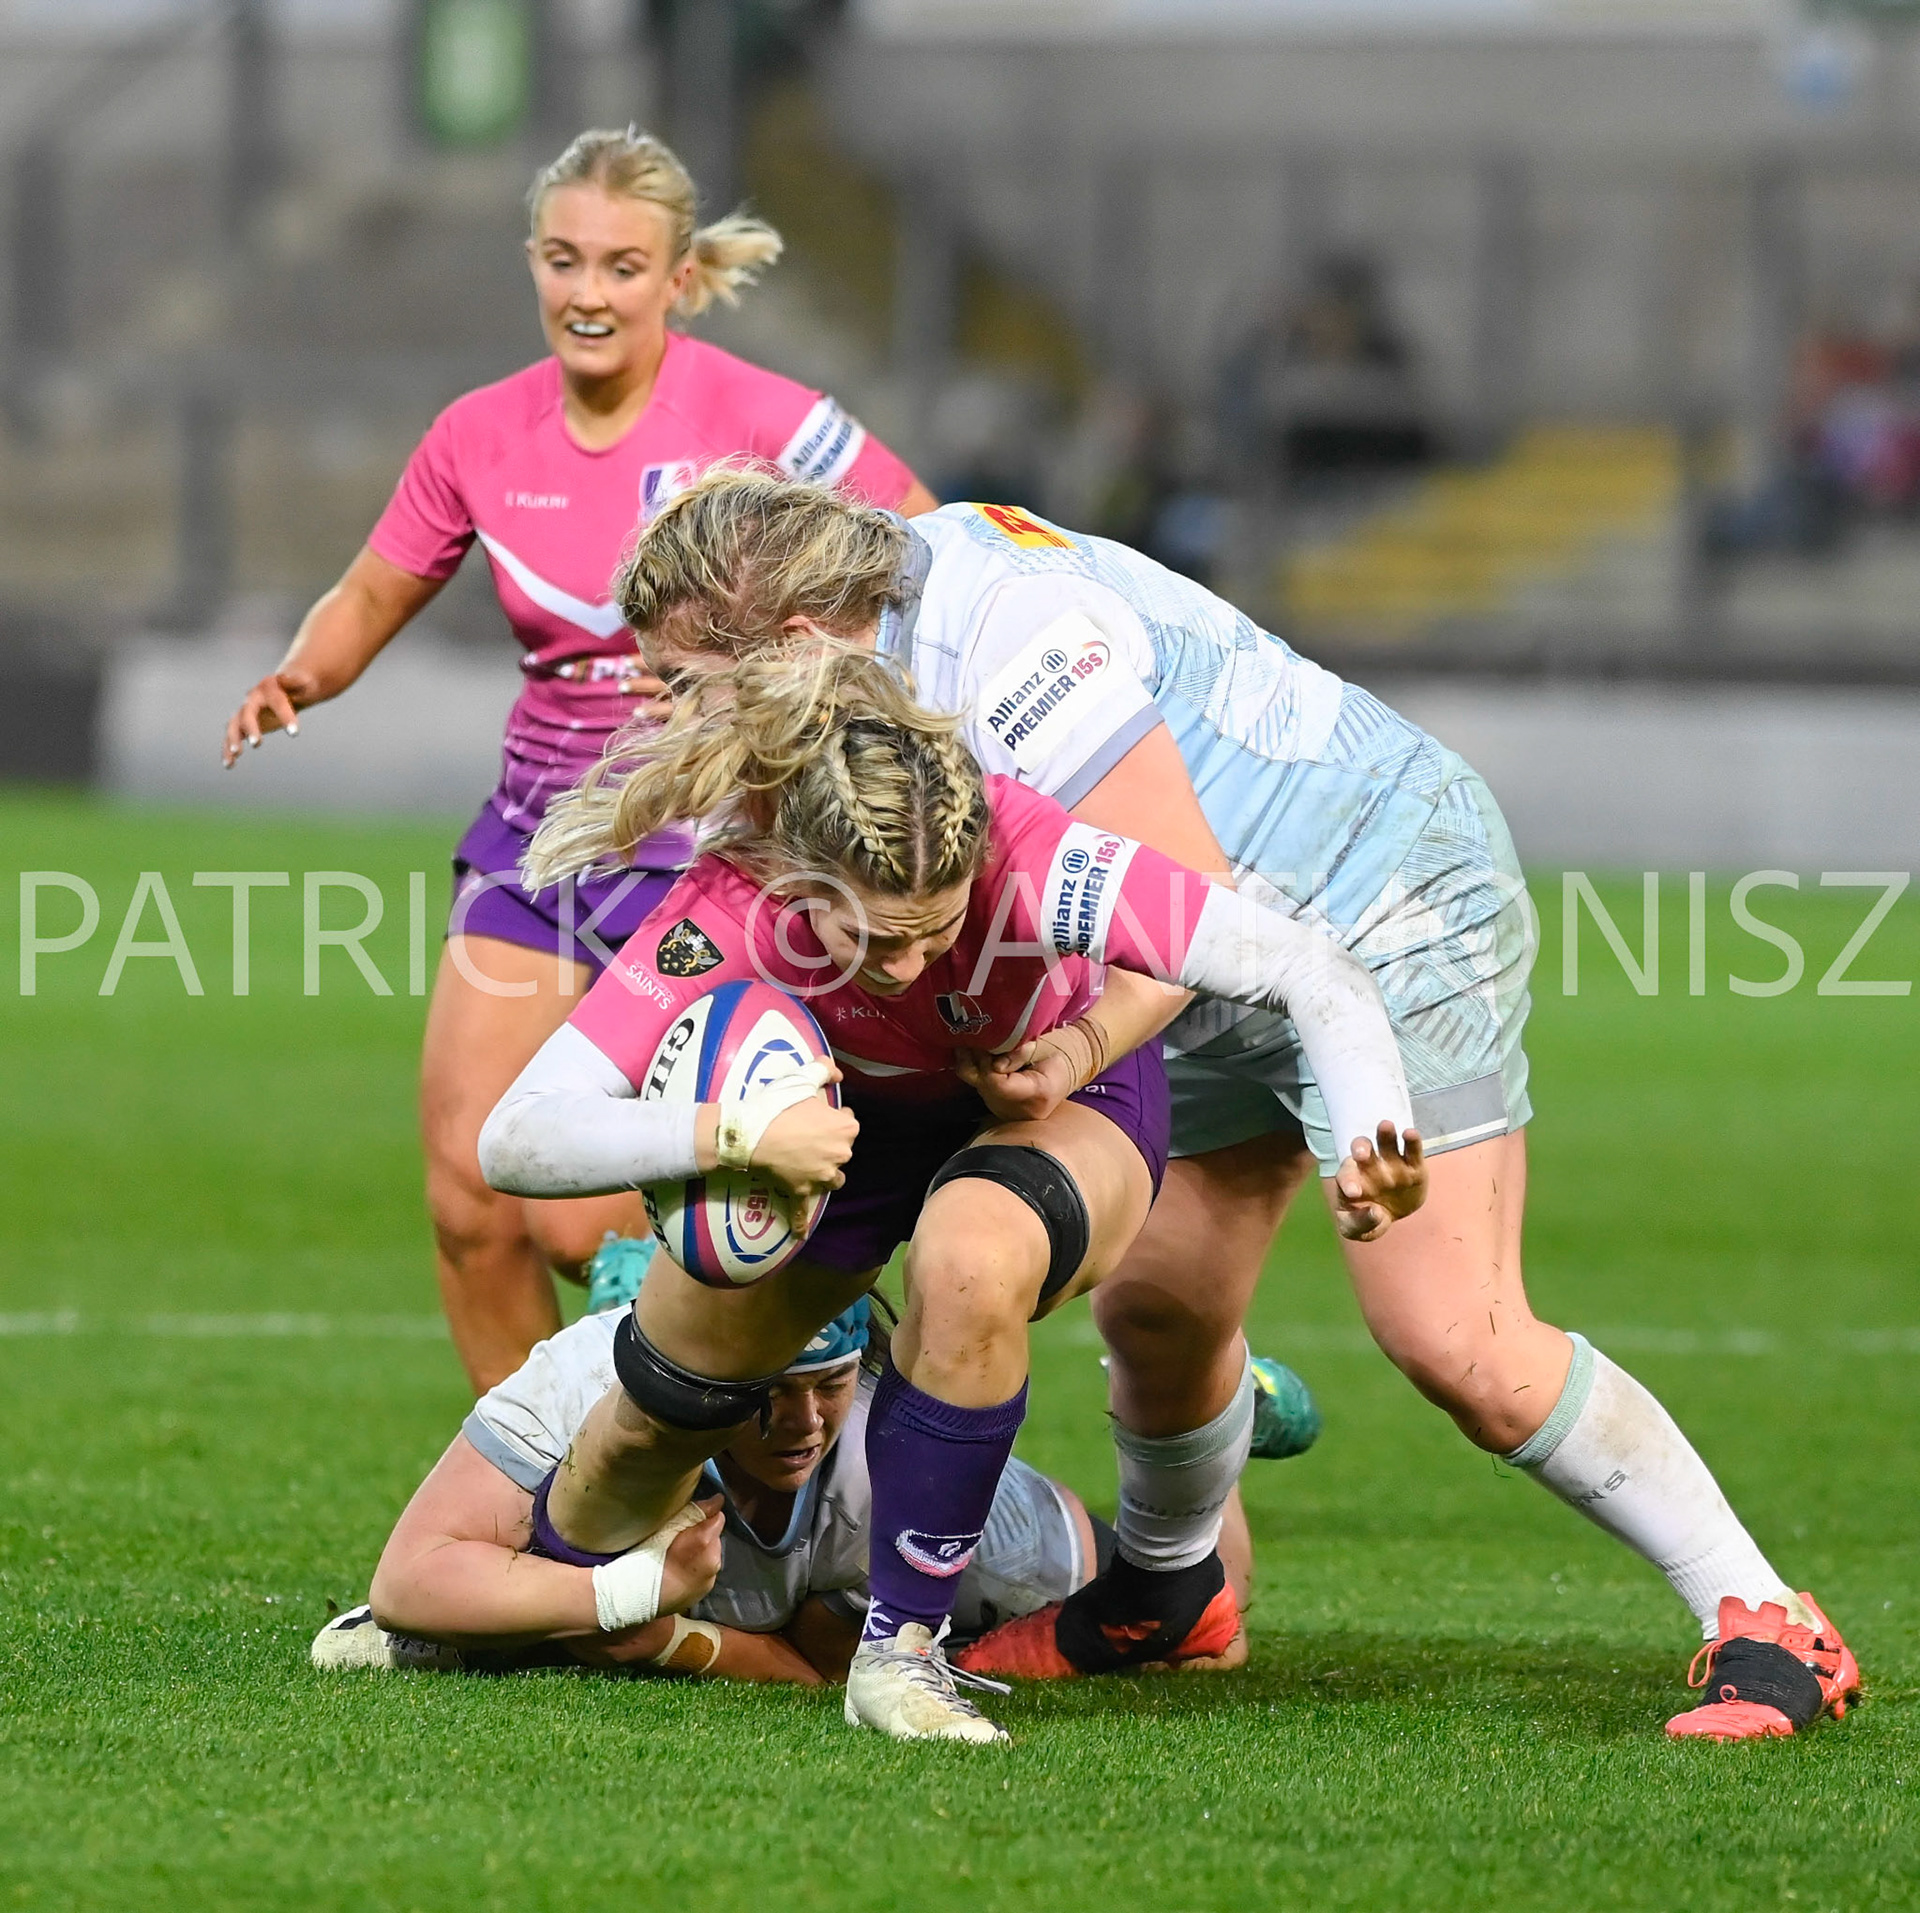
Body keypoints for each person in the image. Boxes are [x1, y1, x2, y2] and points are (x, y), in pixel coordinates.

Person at [605, 468, 1861, 1743]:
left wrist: (1082, 1042)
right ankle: (1169, 1591)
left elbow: (1191, 885)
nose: (660, 709)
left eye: (683, 681)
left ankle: (1765, 1615)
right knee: (1161, 1306)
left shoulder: (1006, 638)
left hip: (1379, 897)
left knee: (1457, 1335)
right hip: (1201, 955)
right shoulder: (868, 625)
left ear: (800, 639)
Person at [476, 652, 1423, 1740]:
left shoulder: (1040, 855)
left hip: (1052, 1099)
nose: (910, 959)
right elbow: (515, 1135)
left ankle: (903, 1655)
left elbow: (1311, 967)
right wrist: (734, 1134)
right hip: (838, 1130)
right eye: (874, 937)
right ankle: (520, 1604)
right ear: (800, 879)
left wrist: (1367, 1134)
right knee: (664, 1405)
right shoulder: (733, 898)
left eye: (939, 926)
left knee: (967, 1261)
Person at [217, 128, 936, 1395]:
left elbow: (927, 553)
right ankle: (529, 1493)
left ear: (674, 276)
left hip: (709, 854)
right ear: (533, 265)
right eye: (563, 262)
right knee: (469, 1194)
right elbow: (373, 586)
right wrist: (300, 674)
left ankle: (741, 1418)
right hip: (537, 845)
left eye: (621, 265)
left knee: (576, 1221)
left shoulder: (766, 417)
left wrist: (802, 678)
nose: (589, 293)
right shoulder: (478, 435)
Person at [315, 1296, 1259, 1682]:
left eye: (833, 1385)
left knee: (1203, 1612)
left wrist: (671, 1635)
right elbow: (405, 1583)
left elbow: (825, 1671)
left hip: (1008, 1552)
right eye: (775, 1391)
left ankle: (1224, 1388)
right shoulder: (576, 1378)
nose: (805, 1422)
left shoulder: (883, 1472)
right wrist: (621, 1597)